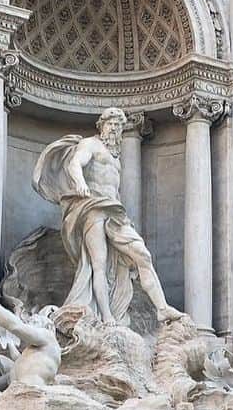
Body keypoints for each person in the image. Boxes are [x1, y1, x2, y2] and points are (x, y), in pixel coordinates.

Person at [33, 107, 178, 325]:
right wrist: (80, 182)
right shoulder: (90, 144)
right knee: (98, 265)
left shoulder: (116, 158)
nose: (115, 128)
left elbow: (114, 189)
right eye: (111, 123)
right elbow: (75, 163)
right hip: (93, 208)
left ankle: (162, 308)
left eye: (118, 125)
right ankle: (106, 317)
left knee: (143, 255)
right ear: (101, 126)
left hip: (114, 212)